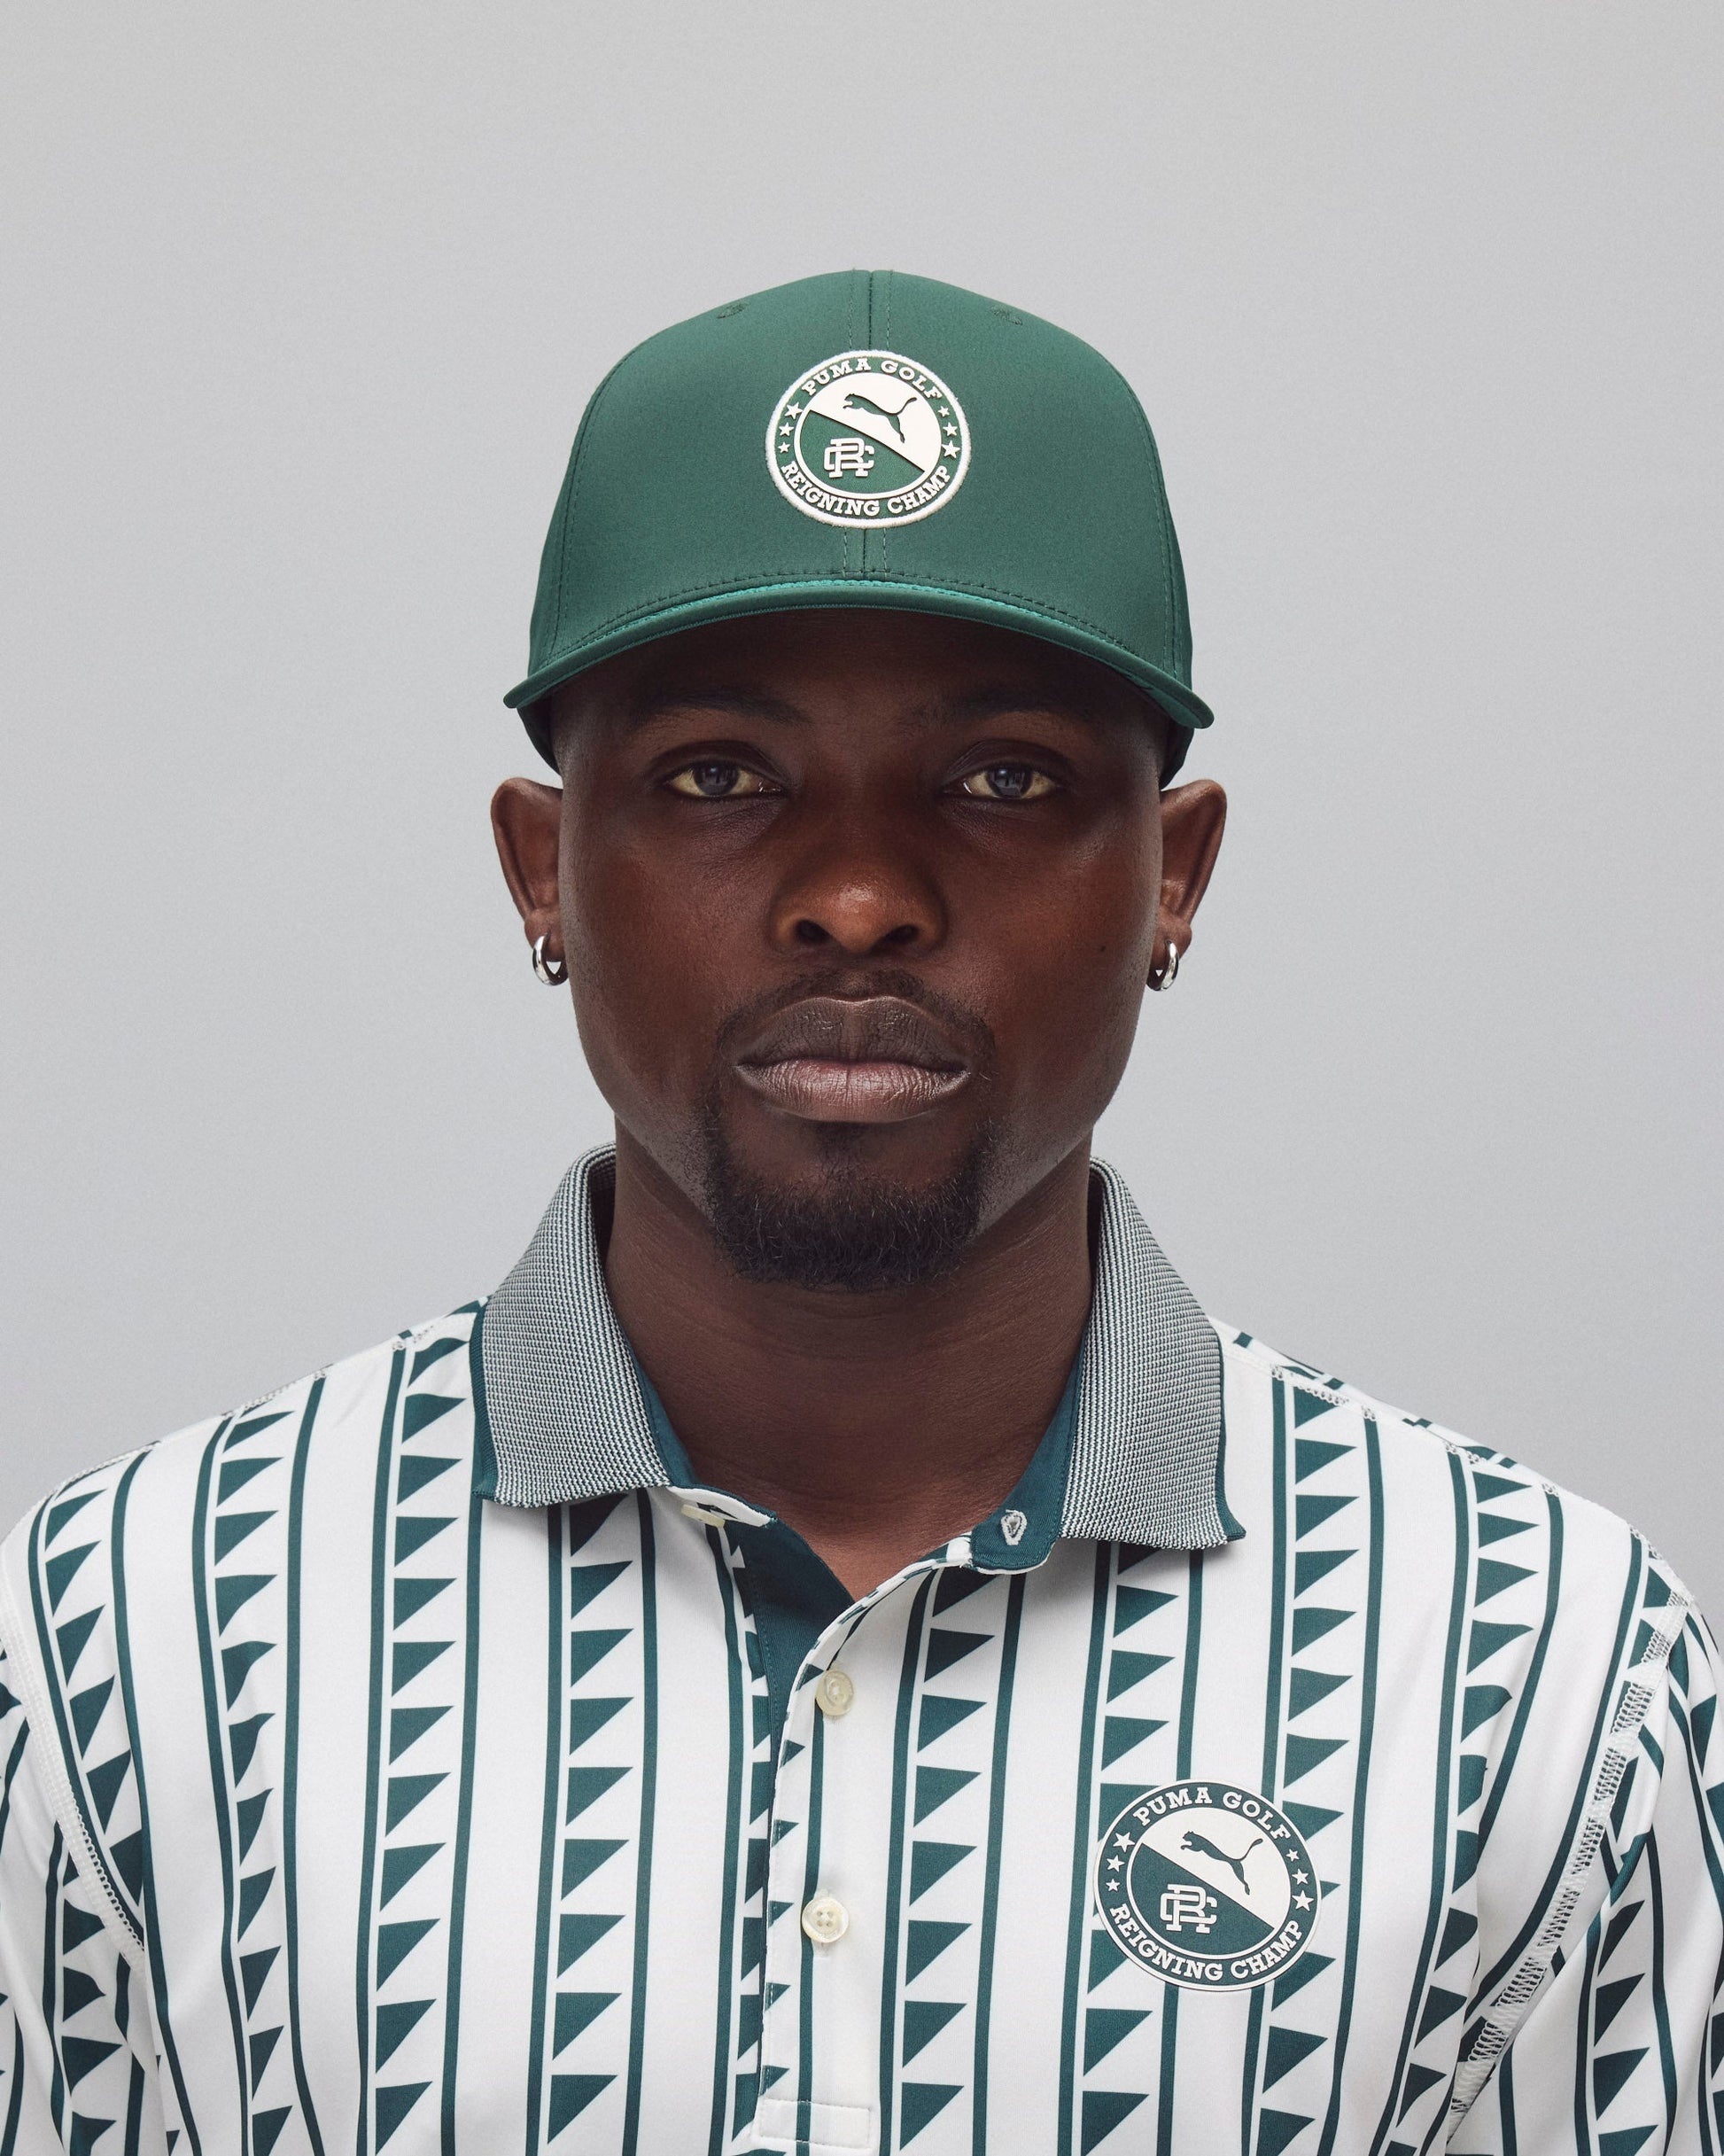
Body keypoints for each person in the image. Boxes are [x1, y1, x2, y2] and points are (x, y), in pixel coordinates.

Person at [0, 269, 1716, 2156]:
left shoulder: (1532, 1660)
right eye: (718, 775)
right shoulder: (137, 1631)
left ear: (1173, 875)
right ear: (540, 867)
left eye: (1002, 777)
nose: (856, 896)